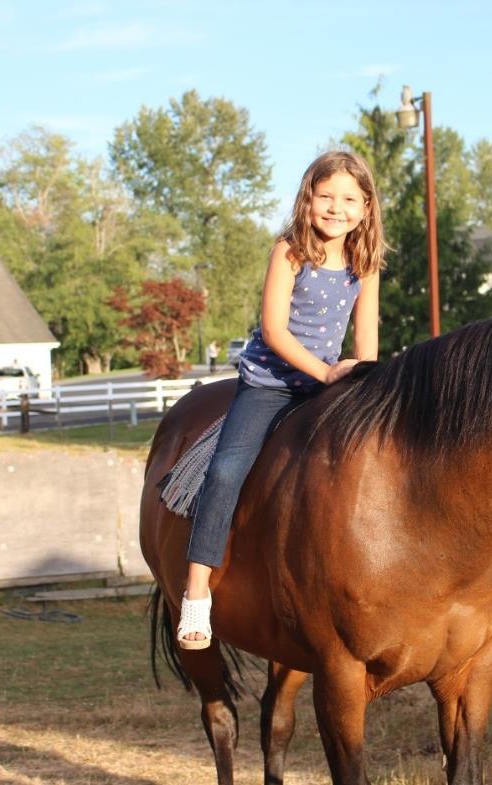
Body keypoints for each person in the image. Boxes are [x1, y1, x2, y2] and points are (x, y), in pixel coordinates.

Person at [176, 151, 385, 650]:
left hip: (330, 384)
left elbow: (367, 341)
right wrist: (325, 372)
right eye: (326, 196)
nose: (337, 208)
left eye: (350, 199)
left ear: (367, 206)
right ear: (307, 199)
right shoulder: (289, 251)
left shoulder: (365, 262)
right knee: (226, 470)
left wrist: (364, 380)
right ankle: (196, 594)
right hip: (272, 382)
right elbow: (273, 331)